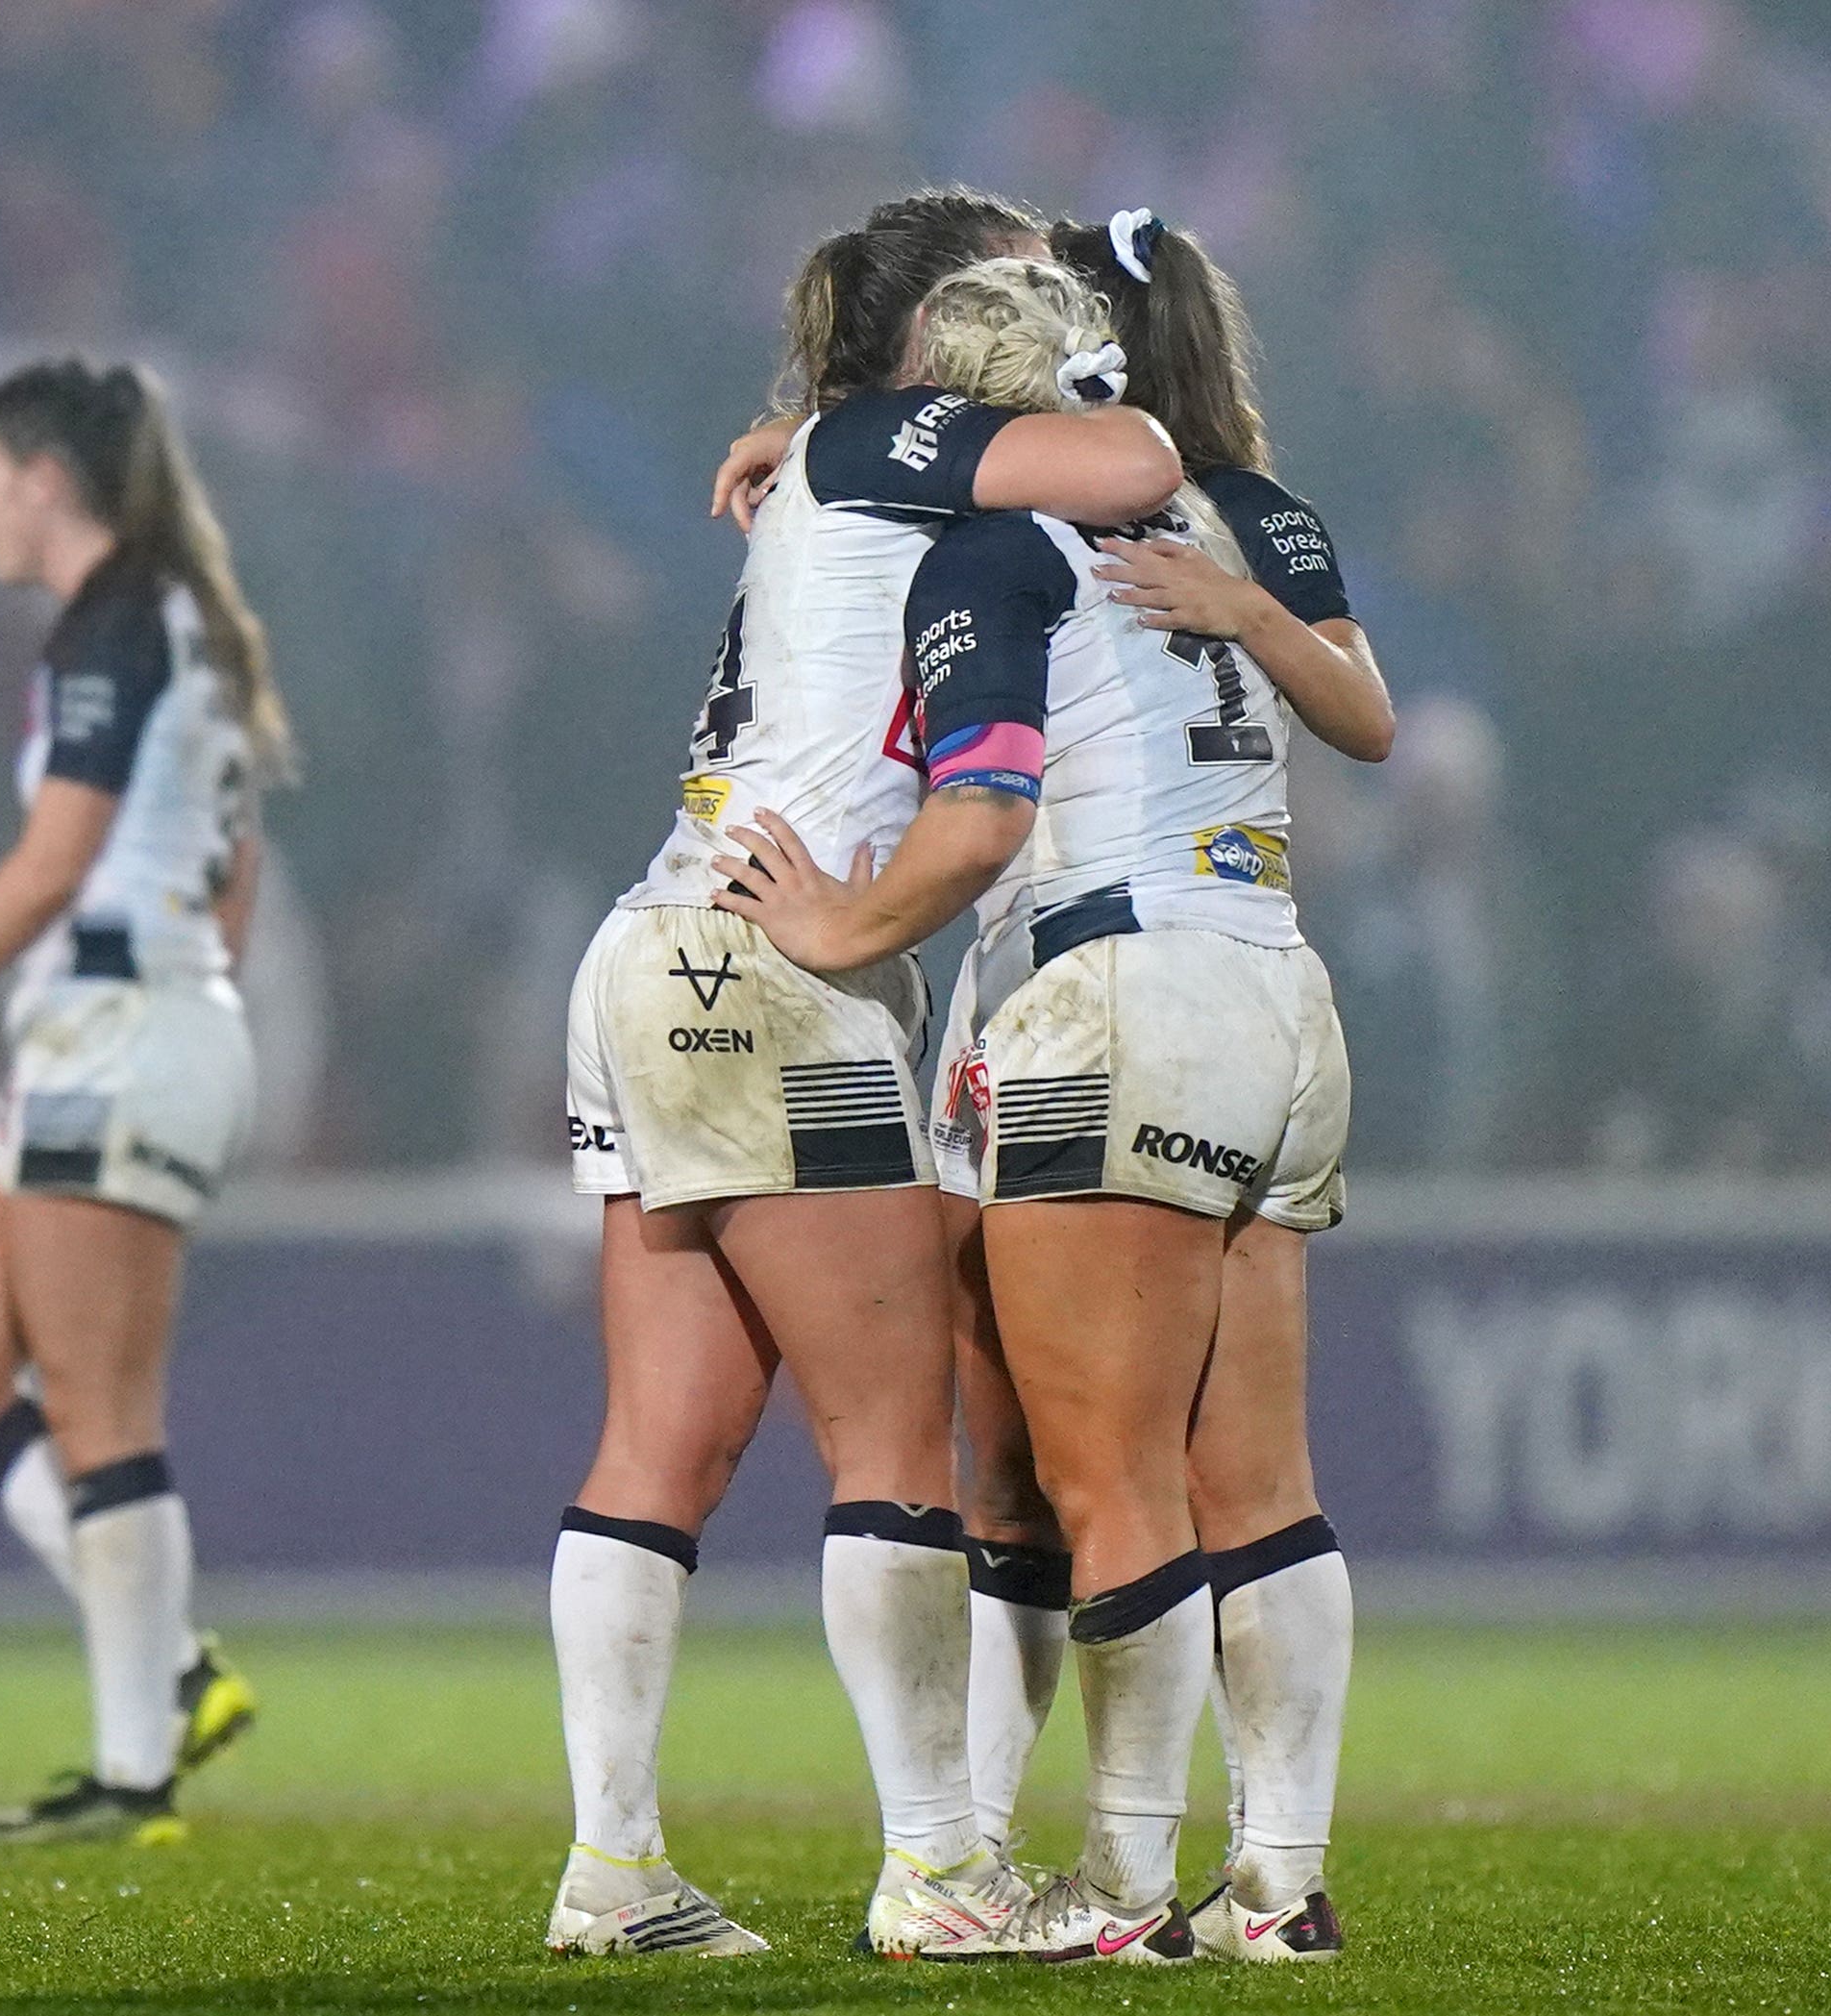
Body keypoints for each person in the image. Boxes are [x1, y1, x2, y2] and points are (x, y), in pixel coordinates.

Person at [718, 244, 1385, 1965]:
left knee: (1106, 1486)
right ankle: (1280, 1883)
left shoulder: (996, 549)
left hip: (1117, 987)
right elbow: (1364, 715)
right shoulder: (1254, 512)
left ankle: (1122, 1883)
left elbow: (987, 807)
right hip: (1281, 991)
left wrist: (836, 924)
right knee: (1262, 1481)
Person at [548, 190, 1184, 1960]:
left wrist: (799, 429)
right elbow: (1135, 459)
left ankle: (614, 1870)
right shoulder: (895, 446)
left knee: (658, 1444)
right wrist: (846, 937)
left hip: (642, 946)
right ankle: (939, 1867)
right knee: (898, 1437)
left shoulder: (854, 468)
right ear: (932, 343)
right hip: (771, 962)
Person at [0, 358, 289, 1845]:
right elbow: (240, 863)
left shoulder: (113, 624)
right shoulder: (173, 618)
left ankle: (131, 1767)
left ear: (41, 478)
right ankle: (170, 1665)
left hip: (114, 1025)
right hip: (110, 1025)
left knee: (96, 1408)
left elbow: (51, 858)